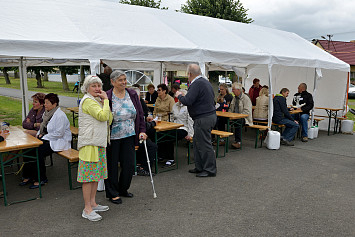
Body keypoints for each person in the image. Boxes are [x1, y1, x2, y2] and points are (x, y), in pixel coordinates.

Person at [105, 70, 147, 204]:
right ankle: (112, 193)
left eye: (124, 79)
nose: (124, 82)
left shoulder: (132, 94)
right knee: (111, 166)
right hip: (113, 137)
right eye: (120, 80)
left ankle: (123, 189)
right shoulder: (107, 96)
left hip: (129, 135)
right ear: (112, 82)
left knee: (129, 164)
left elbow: (140, 114)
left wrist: (142, 130)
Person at [77, 75, 113, 221]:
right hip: (90, 143)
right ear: (87, 88)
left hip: (98, 142)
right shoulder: (87, 101)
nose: (98, 89)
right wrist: (107, 101)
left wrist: (105, 103)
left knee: (95, 176)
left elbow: (109, 119)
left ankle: (93, 203)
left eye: (99, 86)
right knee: (88, 177)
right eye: (94, 86)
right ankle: (87, 209)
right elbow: (103, 117)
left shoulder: (97, 100)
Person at [20, 93, 71, 189]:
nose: (45, 105)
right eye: (45, 103)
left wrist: (43, 137)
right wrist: (40, 134)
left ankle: (41, 178)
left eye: (47, 103)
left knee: (38, 151)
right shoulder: (47, 113)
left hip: (58, 141)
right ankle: (28, 175)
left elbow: (59, 134)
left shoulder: (60, 116)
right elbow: (43, 127)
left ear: (54, 104)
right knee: (28, 148)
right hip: (49, 138)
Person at [175, 64, 217, 178]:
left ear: (189, 74)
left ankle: (209, 169)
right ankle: (200, 167)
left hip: (203, 117)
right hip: (207, 116)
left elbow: (188, 100)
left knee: (204, 144)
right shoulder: (205, 82)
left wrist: (179, 95)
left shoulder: (197, 84)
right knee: (198, 143)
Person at [159, 89, 194, 167]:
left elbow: (191, 121)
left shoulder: (188, 107)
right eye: (179, 97)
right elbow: (171, 117)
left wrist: (190, 134)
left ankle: (171, 159)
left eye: (182, 97)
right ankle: (162, 155)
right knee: (161, 133)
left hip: (184, 128)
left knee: (169, 136)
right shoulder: (175, 105)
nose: (180, 99)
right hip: (174, 126)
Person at [229, 82, 253, 149]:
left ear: (239, 90)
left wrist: (237, 116)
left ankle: (238, 142)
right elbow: (231, 109)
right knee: (221, 119)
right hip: (234, 117)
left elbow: (247, 112)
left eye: (233, 89)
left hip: (245, 119)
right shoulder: (234, 98)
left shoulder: (246, 98)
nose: (232, 91)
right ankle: (222, 139)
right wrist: (229, 115)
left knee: (238, 122)